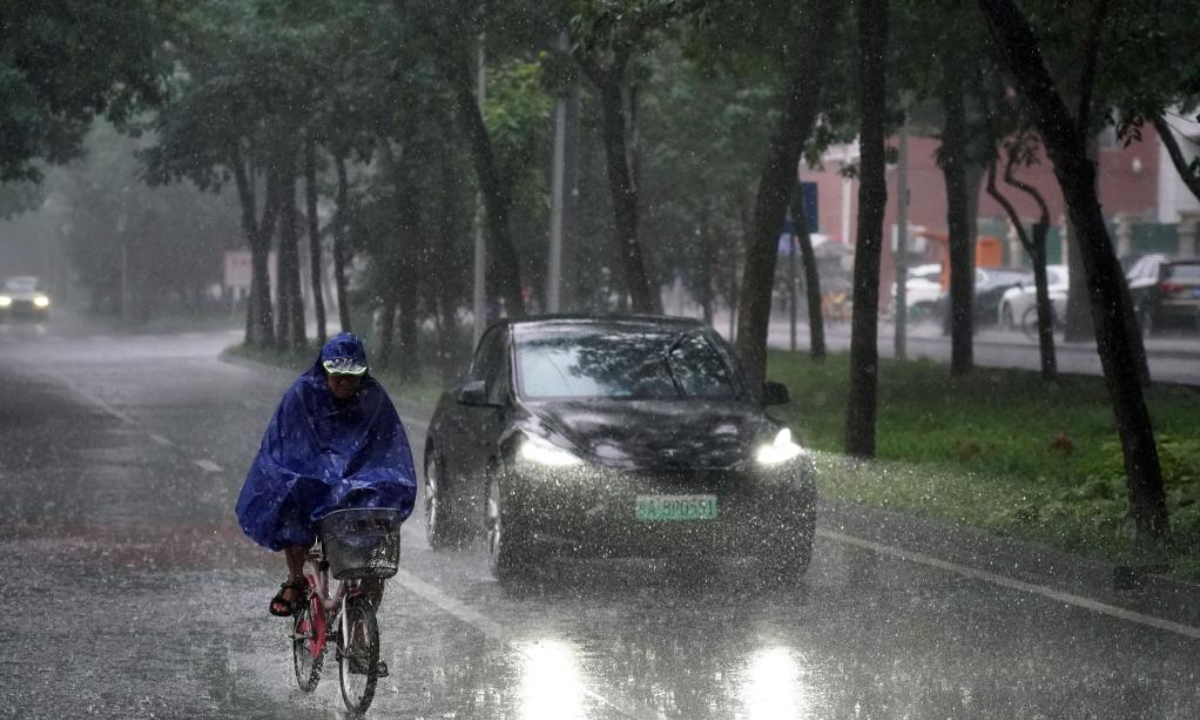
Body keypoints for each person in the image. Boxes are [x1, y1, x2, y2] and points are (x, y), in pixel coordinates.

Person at [236, 332, 416, 619]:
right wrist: (313, 475)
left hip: (359, 486)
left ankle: (361, 624)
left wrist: (369, 480)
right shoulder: (303, 394)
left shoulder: (375, 400)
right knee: (290, 500)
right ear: (324, 370)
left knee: (375, 546)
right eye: (336, 375)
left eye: (351, 375)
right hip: (313, 478)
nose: (343, 382)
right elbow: (286, 446)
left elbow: (388, 450)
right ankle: (295, 579)